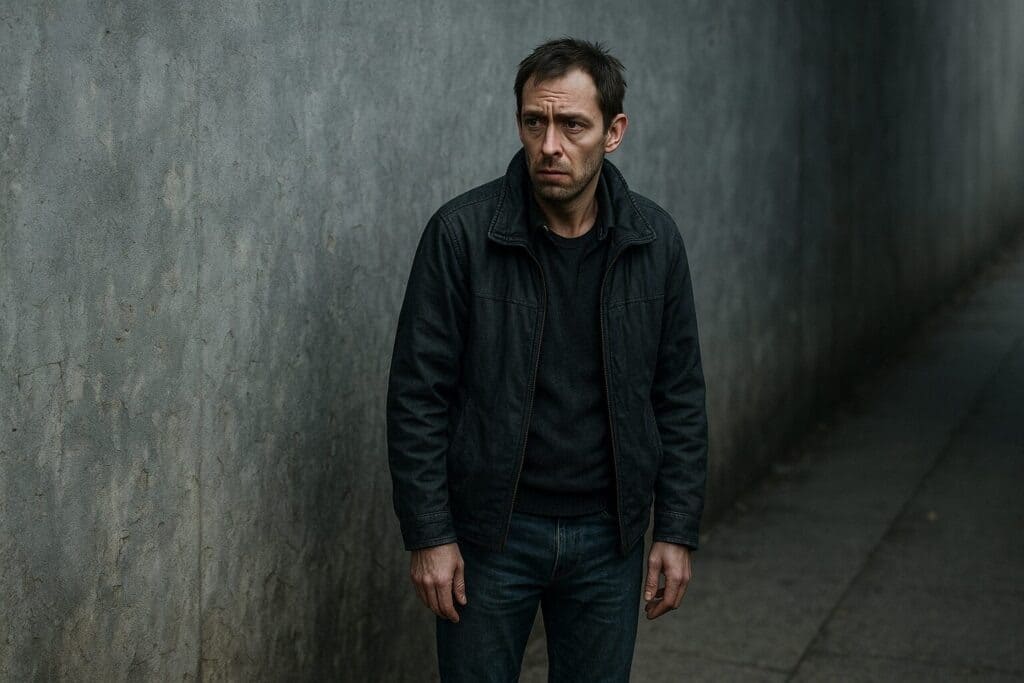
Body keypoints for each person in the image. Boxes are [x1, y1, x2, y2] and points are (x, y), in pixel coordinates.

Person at [386, 37, 708, 682]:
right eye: (535, 122)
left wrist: (675, 530)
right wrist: (431, 535)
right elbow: (418, 396)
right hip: (491, 537)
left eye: (572, 125)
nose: (550, 145)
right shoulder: (461, 235)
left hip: (608, 539)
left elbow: (678, 397)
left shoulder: (654, 242)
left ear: (613, 133)